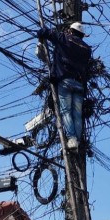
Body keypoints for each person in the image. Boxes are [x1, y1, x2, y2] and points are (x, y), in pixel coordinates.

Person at [37, 21, 92, 150]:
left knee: (66, 111)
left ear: (71, 31)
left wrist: (40, 38)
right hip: (79, 84)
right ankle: (77, 141)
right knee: (77, 114)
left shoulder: (64, 38)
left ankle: (72, 138)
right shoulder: (87, 49)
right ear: (82, 35)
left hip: (65, 80)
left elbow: (44, 32)